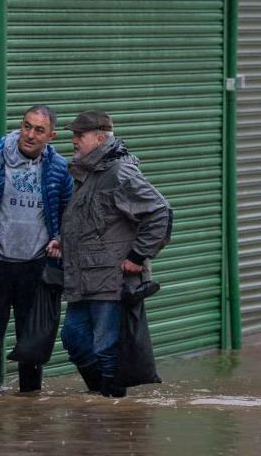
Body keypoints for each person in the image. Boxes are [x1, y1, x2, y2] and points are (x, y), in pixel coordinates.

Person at [60, 110, 172, 398]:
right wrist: (62, 241)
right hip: (83, 278)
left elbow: (159, 211)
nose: (73, 140)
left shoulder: (119, 173)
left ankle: (112, 407)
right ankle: (103, 399)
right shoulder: (87, 173)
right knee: (73, 338)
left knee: (106, 347)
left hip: (111, 280)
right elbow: (95, 223)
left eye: (79, 135)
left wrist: (137, 257)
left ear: (99, 138)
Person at [0, 104, 73, 393]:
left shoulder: (59, 169)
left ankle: (30, 401)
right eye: (27, 126)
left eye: (39, 130)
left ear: (52, 136)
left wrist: (59, 237)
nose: (30, 134)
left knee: (32, 338)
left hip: (35, 264)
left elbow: (67, 212)